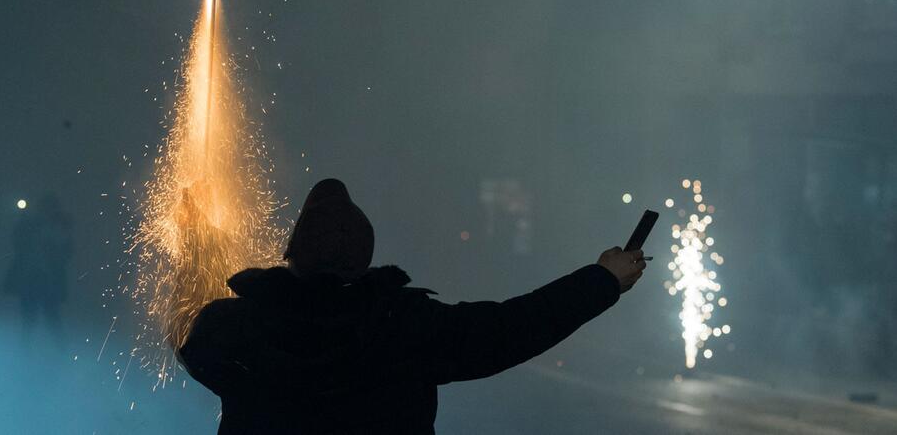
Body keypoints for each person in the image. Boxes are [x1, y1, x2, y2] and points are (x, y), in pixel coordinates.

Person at [179, 179, 646, 434]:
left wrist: (195, 248)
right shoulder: (403, 326)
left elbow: (187, 337)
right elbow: (512, 328)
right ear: (365, 257)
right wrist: (602, 280)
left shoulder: (234, 327)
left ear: (291, 253)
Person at [4, 194, 72, 342]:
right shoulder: (32, 225)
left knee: (49, 317)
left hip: (46, 279)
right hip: (33, 278)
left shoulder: (57, 228)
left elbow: (64, 253)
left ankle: (59, 351)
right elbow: (19, 245)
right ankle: (31, 351)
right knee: (32, 318)